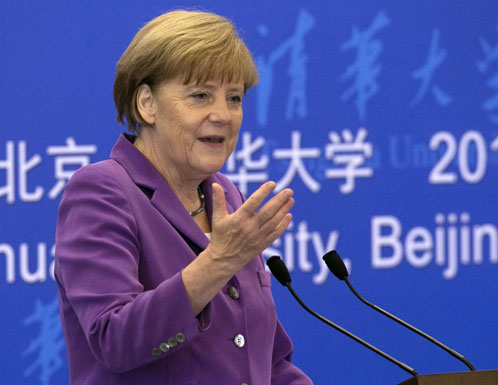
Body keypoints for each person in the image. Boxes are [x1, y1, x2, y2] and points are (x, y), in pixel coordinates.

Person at [54, 10, 313, 385]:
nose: (223, 115)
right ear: (147, 104)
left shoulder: (228, 197)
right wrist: (218, 262)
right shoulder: (103, 190)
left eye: (235, 98)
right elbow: (114, 339)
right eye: (200, 95)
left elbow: (266, 362)